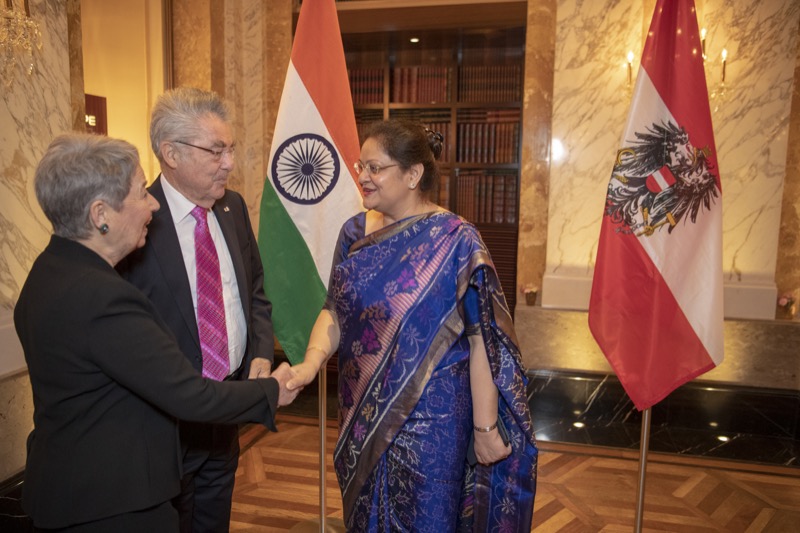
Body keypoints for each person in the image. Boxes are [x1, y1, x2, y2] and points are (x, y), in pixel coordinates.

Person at [15, 133, 298, 532]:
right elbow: (190, 395)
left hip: (68, 489)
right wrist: (272, 391)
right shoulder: (103, 298)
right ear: (101, 214)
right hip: (113, 503)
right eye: (139, 193)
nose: (152, 203)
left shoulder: (48, 271)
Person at [286, 119, 538, 531]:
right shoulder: (354, 233)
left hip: (432, 426)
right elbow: (334, 310)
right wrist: (309, 365)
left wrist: (485, 427)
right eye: (361, 166)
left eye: (375, 168)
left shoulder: (457, 241)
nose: (362, 177)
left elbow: (483, 342)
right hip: (361, 415)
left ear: (413, 174)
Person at [118, 87, 275, 533]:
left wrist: (261, 352)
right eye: (216, 150)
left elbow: (255, 291)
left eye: (231, 149)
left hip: (225, 409)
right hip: (164, 422)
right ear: (171, 153)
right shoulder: (137, 219)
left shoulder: (232, 206)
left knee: (212, 520)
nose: (229, 162)